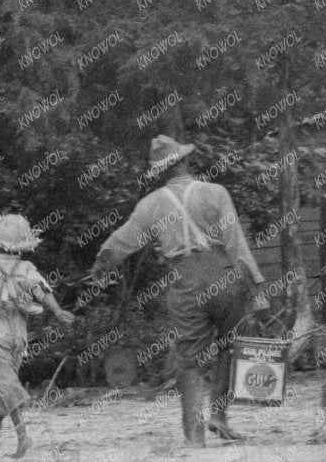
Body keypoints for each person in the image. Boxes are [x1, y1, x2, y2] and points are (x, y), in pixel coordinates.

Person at [88, 135, 266, 446]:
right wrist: (257, 288)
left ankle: (195, 436)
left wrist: (100, 265)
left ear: (159, 171)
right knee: (230, 346)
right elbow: (236, 243)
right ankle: (220, 416)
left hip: (184, 281)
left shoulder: (150, 204)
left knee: (190, 359)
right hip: (223, 274)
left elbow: (121, 242)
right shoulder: (215, 193)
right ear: (185, 161)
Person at [0, 213, 75, 459]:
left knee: (6, 383)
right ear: (21, 245)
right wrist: (57, 311)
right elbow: (41, 291)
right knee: (5, 382)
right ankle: (6, 425)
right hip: (19, 333)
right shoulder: (26, 268)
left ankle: (9, 423)